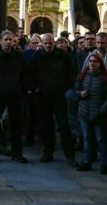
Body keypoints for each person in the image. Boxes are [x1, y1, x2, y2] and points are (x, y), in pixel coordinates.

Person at [0, 31, 28, 164]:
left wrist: (20, 88)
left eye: (10, 39)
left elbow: (26, 74)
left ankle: (17, 153)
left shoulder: (19, 57)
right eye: (6, 39)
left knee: (16, 125)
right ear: (1, 41)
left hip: (15, 95)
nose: (8, 42)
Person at [32, 33, 76, 164]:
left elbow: (70, 73)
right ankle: (48, 151)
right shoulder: (38, 56)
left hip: (59, 96)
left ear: (53, 42)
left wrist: (65, 88)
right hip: (43, 96)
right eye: (45, 43)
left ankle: (69, 155)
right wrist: (37, 88)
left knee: (63, 125)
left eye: (50, 43)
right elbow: (32, 73)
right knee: (46, 125)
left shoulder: (63, 55)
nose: (47, 45)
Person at [75, 52, 107, 174]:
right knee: (86, 138)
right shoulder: (83, 75)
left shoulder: (105, 78)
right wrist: (80, 94)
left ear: (100, 64)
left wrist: (102, 111)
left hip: (98, 114)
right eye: (90, 61)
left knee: (101, 139)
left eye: (94, 61)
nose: (91, 63)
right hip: (84, 112)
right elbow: (75, 90)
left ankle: (103, 164)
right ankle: (87, 161)